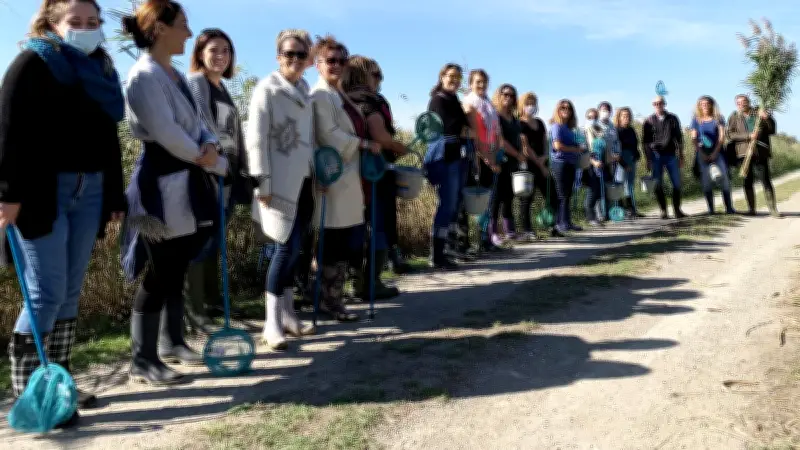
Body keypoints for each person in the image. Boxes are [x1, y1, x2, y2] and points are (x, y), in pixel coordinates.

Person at [0, 0, 126, 424]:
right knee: (45, 291)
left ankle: (61, 384)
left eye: (93, 22)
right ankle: (30, 393)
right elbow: (9, 132)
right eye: (76, 21)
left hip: (89, 190)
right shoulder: (32, 64)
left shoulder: (102, 71)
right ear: (52, 23)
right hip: (40, 192)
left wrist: (114, 196)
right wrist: (8, 194)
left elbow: (108, 139)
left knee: (70, 291)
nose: (86, 28)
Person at [121, 1, 230, 386]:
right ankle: (143, 359)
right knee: (161, 266)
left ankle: (171, 342)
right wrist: (207, 159)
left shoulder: (174, 75)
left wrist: (211, 147)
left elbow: (200, 124)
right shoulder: (143, 76)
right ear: (160, 29)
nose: (188, 33)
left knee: (179, 261)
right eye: (182, 25)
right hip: (161, 180)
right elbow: (167, 134)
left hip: (188, 174)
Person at [245, 29, 317, 350]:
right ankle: (270, 322)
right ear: (278, 57)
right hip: (276, 183)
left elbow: (310, 139)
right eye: (289, 54)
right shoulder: (267, 90)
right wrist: (262, 181)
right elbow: (256, 138)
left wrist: (318, 174)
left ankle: (287, 314)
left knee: (295, 246)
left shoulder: (304, 89)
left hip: (302, 180)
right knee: (283, 248)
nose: (295, 60)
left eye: (301, 55)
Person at [186, 28, 252, 333]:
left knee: (215, 242)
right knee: (200, 244)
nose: (220, 56)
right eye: (213, 50)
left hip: (227, 175)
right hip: (206, 173)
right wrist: (219, 162)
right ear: (200, 53)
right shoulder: (196, 83)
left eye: (226, 50)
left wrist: (242, 170)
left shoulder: (223, 88)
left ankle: (214, 303)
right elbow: (202, 124)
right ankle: (196, 314)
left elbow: (235, 135)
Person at [309, 35, 374, 321]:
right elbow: (328, 134)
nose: (336, 65)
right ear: (317, 64)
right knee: (332, 241)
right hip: (333, 174)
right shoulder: (320, 94)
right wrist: (362, 144)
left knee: (344, 240)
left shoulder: (339, 93)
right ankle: (328, 301)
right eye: (330, 60)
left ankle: (333, 298)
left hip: (350, 176)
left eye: (341, 60)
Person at [344, 56, 406, 300]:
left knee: (352, 226)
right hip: (374, 170)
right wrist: (399, 147)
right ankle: (372, 282)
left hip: (347, 172)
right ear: (363, 75)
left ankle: (354, 281)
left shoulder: (341, 98)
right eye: (376, 74)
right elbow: (378, 133)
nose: (379, 80)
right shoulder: (370, 100)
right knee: (378, 225)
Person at [368, 60, 412, 276]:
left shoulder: (381, 101)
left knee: (388, 213)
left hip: (387, 161)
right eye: (372, 75)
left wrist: (395, 148)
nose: (377, 79)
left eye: (379, 75)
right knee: (375, 216)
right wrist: (394, 145)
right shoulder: (362, 101)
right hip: (372, 163)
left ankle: (393, 258)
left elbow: (389, 130)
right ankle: (373, 271)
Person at [426, 63, 469, 269]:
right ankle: (437, 254)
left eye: (458, 77)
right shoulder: (438, 100)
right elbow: (450, 127)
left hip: (455, 157)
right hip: (444, 158)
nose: (454, 80)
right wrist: (466, 131)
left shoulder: (453, 100)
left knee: (451, 205)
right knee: (446, 205)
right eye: (451, 76)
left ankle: (446, 249)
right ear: (442, 76)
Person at [461, 69, 503, 251]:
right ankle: (476, 240)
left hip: (492, 154)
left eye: (484, 82)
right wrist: (484, 157)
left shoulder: (488, 103)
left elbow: (495, 129)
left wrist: (496, 152)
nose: (481, 85)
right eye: (477, 81)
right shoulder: (470, 102)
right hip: (479, 157)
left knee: (488, 199)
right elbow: (474, 133)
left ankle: (485, 237)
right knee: (478, 201)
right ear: (470, 83)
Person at [726, 94, 779, 217]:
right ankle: (751, 209)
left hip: (760, 152)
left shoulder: (759, 113)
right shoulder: (734, 117)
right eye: (738, 103)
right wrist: (748, 136)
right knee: (747, 181)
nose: (741, 104)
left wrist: (767, 118)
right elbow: (730, 134)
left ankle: (773, 209)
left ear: (748, 102)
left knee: (765, 180)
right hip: (743, 154)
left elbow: (772, 130)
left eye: (743, 102)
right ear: (736, 105)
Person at [518, 92, 559, 239]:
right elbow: (525, 146)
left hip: (543, 162)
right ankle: (527, 230)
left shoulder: (540, 123)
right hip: (528, 165)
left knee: (552, 194)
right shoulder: (520, 123)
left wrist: (545, 158)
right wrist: (538, 163)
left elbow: (545, 142)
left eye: (533, 103)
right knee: (527, 198)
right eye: (528, 103)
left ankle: (552, 225)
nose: (531, 106)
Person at [491, 84, 526, 241]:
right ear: (499, 95)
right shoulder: (495, 116)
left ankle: (509, 230)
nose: (508, 98)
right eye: (505, 94)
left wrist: (521, 153)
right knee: (496, 198)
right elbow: (500, 140)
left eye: (512, 95)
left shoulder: (514, 118)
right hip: (499, 160)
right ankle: (492, 233)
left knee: (509, 197)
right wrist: (517, 154)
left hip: (513, 162)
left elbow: (519, 138)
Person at [642, 95, 686, 219]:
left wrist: (681, 155)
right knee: (657, 184)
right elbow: (645, 142)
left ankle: (677, 210)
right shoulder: (648, 121)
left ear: (664, 104)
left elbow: (679, 137)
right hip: (656, 156)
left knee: (677, 184)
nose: (658, 105)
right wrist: (648, 159)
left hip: (671, 155)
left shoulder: (672, 118)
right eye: (655, 103)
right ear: (653, 106)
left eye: (660, 103)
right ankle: (663, 210)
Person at [690, 96, 734, 215]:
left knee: (724, 178)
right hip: (702, 153)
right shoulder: (696, 119)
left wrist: (715, 152)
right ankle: (711, 209)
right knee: (706, 181)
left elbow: (721, 137)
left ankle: (729, 208)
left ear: (711, 105)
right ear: (698, 105)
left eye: (706, 103)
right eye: (701, 104)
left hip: (718, 152)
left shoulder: (718, 118)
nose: (704, 105)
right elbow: (693, 138)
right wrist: (702, 153)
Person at [549, 99, 583, 235]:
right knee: (562, 194)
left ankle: (567, 222)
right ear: (558, 110)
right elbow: (557, 146)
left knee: (568, 194)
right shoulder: (556, 126)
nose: (566, 110)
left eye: (568, 108)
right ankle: (561, 223)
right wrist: (575, 149)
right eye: (563, 108)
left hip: (570, 163)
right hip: (560, 163)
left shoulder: (569, 129)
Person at [614, 107, 643, 218]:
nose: (626, 117)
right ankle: (622, 210)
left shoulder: (631, 130)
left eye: (628, 115)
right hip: (621, 161)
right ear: (619, 117)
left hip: (631, 159)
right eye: (624, 115)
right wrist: (623, 164)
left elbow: (635, 144)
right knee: (620, 185)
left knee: (630, 185)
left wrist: (636, 155)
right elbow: (616, 149)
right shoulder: (617, 130)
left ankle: (632, 209)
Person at [582, 108, 607, 227]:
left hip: (600, 164)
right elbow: (582, 151)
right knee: (592, 190)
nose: (593, 119)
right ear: (586, 118)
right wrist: (593, 161)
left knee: (598, 191)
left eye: (595, 117)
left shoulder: (600, 131)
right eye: (590, 117)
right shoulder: (583, 131)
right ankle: (590, 216)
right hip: (587, 164)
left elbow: (604, 148)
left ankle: (596, 215)